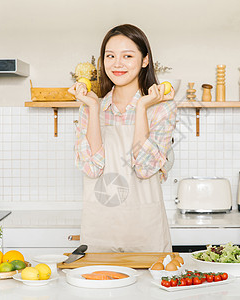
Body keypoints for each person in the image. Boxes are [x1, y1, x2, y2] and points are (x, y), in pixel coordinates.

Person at [69, 24, 177, 252]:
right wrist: (93, 108)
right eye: (110, 56)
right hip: (100, 229)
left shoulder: (161, 108)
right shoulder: (91, 107)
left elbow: (145, 169)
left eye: (127, 56)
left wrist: (141, 108)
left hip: (146, 231)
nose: (117, 64)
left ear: (145, 60)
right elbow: (91, 168)